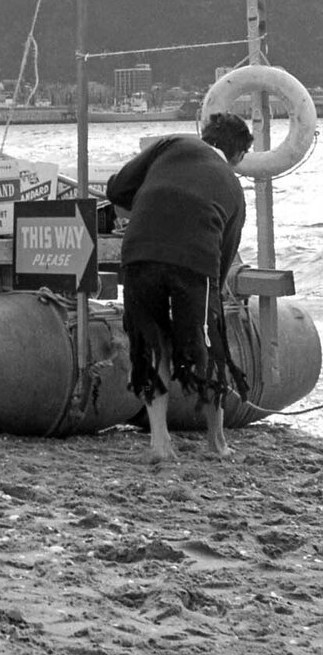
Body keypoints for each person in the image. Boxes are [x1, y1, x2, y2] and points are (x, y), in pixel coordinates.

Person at [106, 112, 254, 465]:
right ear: (237, 156)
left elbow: (117, 189)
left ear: (205, 136)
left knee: (150, 344)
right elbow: (221, 262)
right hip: (195, 260)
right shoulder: (233, 188)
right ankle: (216, 442)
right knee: (206, 348)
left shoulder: (172, 144)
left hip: (140, 249)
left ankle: (160, 442)